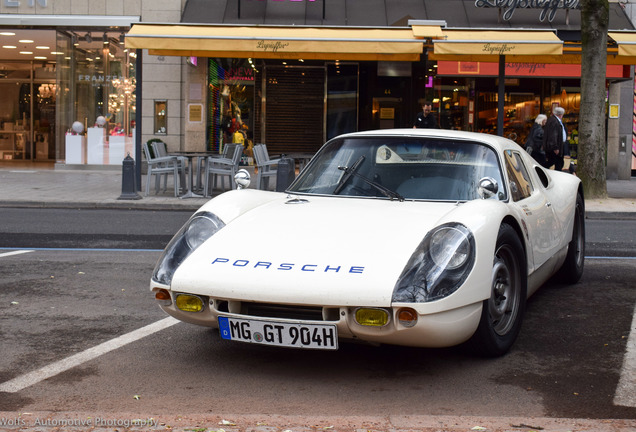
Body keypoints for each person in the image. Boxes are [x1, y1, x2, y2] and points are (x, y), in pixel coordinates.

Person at [543, 106, 567, 171]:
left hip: (556, 145)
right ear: (561, 114)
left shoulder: (553, 120)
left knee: (555, 162)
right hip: (555, 147)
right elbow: (553, 135)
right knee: (556, 162)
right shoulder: (554, 121)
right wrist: (555, 147)